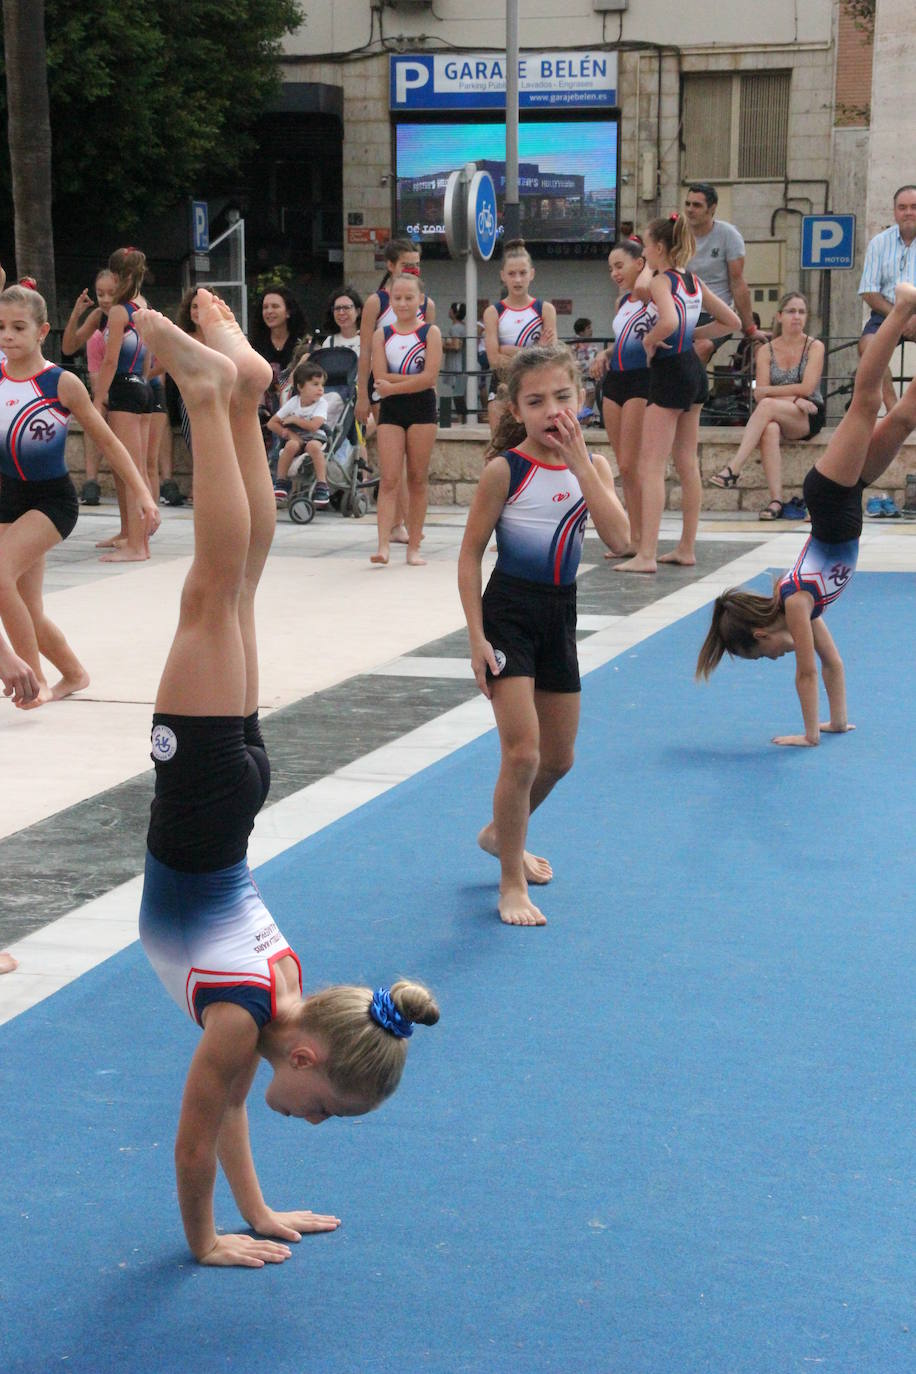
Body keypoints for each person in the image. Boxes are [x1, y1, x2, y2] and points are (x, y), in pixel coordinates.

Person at [132, 291, 439, 1267]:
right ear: (305, 1056)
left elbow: (221, 1113)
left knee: (236, 585)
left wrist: (255, 1215)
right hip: (208, 794)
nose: (313, 1121)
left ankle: (233, 393)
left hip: (231, 797)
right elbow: (192, 1139)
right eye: (322, 1112)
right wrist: (203, 1243)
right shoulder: (244, 1018)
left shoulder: (287, 996)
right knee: (213, 586)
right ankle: (211, 394)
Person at [696, 284, 916, 746]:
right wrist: (836, 723)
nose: (774, 659)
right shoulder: (798, 603)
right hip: (845, 501)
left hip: (832, 498)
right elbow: (832, 663)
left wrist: (810, 735)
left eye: (764, 655)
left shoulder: (796, 602)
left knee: (865, 401)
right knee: (904, 418)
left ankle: (902, 307)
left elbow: (806, 673)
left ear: (762, 632)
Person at [457, 344, 629, 927]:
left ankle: (499, 833)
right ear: (516, 408)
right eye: (536, 401)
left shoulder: (594, 468)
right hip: (508, 614)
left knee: (559, 759)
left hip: (559, 616)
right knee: (523, 754)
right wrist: (476, 638)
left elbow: (623, 541)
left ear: (581, 401)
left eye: (562, 397)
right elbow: (469, 557)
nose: (551, 410)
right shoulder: (505, 469)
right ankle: (509, 880)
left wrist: (582, 464)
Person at [0, 284, 159, 708]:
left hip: (51, 503)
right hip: (7, 498)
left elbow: (109, 442)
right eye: (1, 327)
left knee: (0, 577)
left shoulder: (61, 383)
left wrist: (143, 494)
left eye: (18, 327)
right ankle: (74, 674)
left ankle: (28, 685)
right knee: (27, 608)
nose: (7, 336)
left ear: (42, 331)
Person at [613, 215, 740, 574]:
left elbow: (666, 321)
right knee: (686, 463)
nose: (644, 252)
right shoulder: (693, 281)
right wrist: (698, 336)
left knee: (650, 465)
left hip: (669, 372)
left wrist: (651, 341)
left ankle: (647, 554)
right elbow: (731, 321)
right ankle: (686, 547)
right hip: (693, 372)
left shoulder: (661, 282)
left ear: (658, 249)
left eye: (647, 245)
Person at [709, 291, 826, 519]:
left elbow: (806, 389)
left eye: (802, 312)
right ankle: (776, 501)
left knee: (767, 407)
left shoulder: (814, 347)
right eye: (791, 311)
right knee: (769, 429)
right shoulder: (766, 350)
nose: (797, 317)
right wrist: (792, 398)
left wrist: (789, 396)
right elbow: (761, 395)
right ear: (780, 316)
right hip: (784, 410)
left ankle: (733, 468)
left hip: (809, 413)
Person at [356, 238, 435, 545]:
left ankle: (407, 522)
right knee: (393, 463)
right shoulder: (377, 302)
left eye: (416, 265)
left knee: (414, 466)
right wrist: (363, 394)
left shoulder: (425, 304)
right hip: (383, 387)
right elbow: (365, 351)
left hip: (414, 390)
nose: (412, 270)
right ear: (391, 267)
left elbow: (428, 349)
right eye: (406, 265)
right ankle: (396, 523)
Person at [369, 272, 442, 566]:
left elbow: (429, 378)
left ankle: (414, 546)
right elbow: (379, 375)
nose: (403, 303)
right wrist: (404, 382)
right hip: (392, 411)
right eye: (397, 298)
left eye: (409, 298)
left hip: (422, 409)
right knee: (388, 479)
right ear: (390, 299)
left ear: (420, 300)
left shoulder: (430, 334)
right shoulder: (382, 335)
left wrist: (393, 385)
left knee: (417, 478)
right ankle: (383, 544)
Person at [92, 246, 157, 562]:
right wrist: (143, 383)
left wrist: (96, 398)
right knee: (135, 469)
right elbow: (146, 357)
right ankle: (130, 533)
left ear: (117, 277)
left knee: (130, 470)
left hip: (124, 391)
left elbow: (110, 360)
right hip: (143, 389)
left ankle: (138, 545)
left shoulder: (119, 312)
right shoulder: (143, 307)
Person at [590, 237, 652, 556]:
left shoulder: (652, 294)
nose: (614, 273)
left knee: (632, 464)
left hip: (643, 381)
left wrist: (646, 269)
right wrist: (606, 352)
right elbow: (626, 338)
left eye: (619, 266)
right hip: (616, 381)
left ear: (639, 264)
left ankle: (643, 539)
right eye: (610, 268)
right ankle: (632, 536)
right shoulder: (622, 302)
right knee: (623, 465)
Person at [683, 183, 767, 367]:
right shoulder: (677, 234)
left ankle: (688, 393)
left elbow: (737, 283)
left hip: (716, 313)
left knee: (702, 347)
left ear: (712, 209)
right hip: (681, 310)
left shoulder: (728, 235)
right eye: (687, 204)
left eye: (697, 205)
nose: (690, 210)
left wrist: (750, 328)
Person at [484, 238, 557, 434]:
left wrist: (508, 350)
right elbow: (494, 359)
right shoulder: (493, 312)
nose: (517, 280)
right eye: (512, 274)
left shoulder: (545, 310)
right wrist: (534, 351)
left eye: (522, 273)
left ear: (531, 274)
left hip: (537, 385)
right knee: (499, 449)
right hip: (502, 384)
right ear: (503, 276)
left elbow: (550, 358)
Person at [61, 269, 118, 506]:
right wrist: (76, 314)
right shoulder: (98, 315)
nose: (104, 299)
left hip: (130, 388)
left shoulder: (131, 313)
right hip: (104, 388)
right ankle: (91, 481)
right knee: (92, 417)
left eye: (110, 294)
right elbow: (68, 347)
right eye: (100, 293)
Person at [857, 184, 916, 415]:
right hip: (886, 314)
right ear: (894, 212)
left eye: (914, 207)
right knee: (868, 347)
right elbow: (869, 291)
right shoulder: (879, 243)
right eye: (902, 207)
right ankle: (895, 411)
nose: (908, 212)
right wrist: (900, 318)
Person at [267, 360, 331, 506]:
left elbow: (314, 426)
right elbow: (272, 423)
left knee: (313, 447)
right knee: (290, 445)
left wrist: (295, 419)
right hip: (296, 437)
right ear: (301, 387)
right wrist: (287, 433)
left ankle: (322, 484)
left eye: (322, 385)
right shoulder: (294, 401)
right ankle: (281, 481)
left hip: (315, 436)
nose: (320, 389)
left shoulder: (322, 403)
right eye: (315, 384)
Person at [439, 302, 468, 423]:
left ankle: (462, 419)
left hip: (456, 364)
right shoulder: (464, 326)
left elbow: (456, 346)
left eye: (451, 309)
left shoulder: (455, 328)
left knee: (458, 392)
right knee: (460, 392)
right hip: (462, 363)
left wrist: (443, 345)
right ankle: (463, 418)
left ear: (454, 313)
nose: (449, 311)